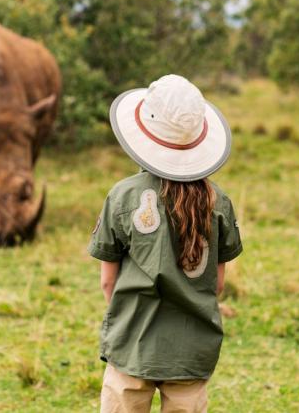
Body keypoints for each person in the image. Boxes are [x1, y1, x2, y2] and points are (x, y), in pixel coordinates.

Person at [88, 74, 242, 413]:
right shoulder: (221, 202)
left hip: (131, 345)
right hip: (191, 350)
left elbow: (107, 281)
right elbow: (216, 284)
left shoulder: (122, 195)